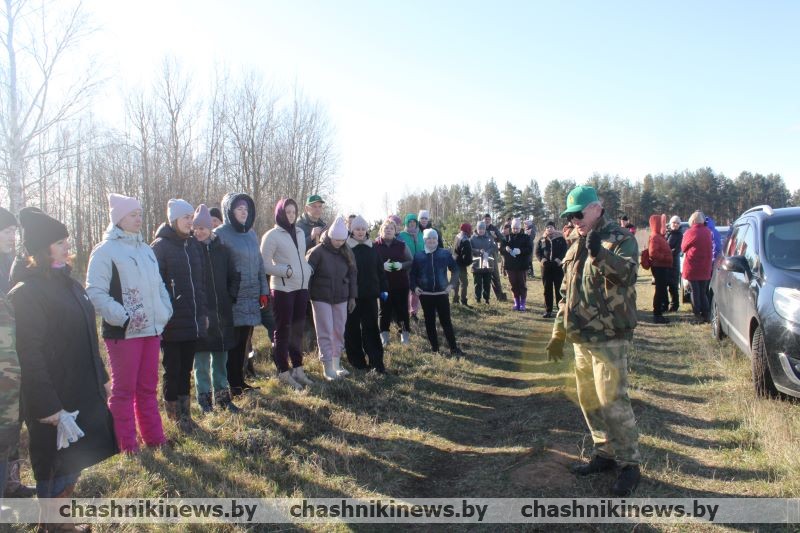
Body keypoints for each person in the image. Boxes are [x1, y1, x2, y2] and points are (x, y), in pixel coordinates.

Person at [9, 207, 117, 503]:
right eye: (60, 242)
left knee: (74, 463)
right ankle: (54, 522)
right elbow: (28, 356)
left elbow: (87, 336)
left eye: (67, 240)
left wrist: (102, 378)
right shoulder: (26, 293)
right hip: (54, 399)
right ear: (42, 249)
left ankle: (62, 520)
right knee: (54, 467)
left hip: (80, 391)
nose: (68, 246)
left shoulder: (70, 285)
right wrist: (49, 408)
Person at [545, 185, 642, 497]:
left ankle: (629, 464)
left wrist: (600, 253)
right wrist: (558, 333)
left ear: (597, 208)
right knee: (588, 400)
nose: (574, 220)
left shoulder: (620, 239)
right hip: (581, 337)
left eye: (579, 214)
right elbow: (566, 294)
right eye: (570, 216)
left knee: (612, 401)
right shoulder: (575, 243)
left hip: (608, 336)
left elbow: (627, 276)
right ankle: (605, 452)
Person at [85, 194, 172, 453]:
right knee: (123, 391)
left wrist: (165, 310)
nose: (138, 219)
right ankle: (126, 445)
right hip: (123, 333)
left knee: (148, 388)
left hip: (151, 330)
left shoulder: (146, 250)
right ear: (119, 218)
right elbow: (95, 292)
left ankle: (155, 439)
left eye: (140, 214)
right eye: (133, 214)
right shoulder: (105, 251)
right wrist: (122, 317)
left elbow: (159, 285)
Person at [151, 199, 208, 433]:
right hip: (171, 322)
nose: (190, 221)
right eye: (186, 217)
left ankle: (186, 416)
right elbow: (155, 286)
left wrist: (202, 314)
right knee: (172, 370)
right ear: (174, 219)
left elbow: (200, 285)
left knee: (186, 370)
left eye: (191, 217)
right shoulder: (160, 247)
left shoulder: (193, 245)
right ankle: (174, 418)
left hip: (192, 320)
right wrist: (165, 313)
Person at [213, 192, 268, 396]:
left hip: (251, 297)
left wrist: (263, 290)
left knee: (244, 342)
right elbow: (217, 267)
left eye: (246, 209)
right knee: (232, 343)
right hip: (233, 298)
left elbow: (260, 264)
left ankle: (239, 381)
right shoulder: (220, 234)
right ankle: (230, 384)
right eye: (239, 209)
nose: (244, 213)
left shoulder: (251, 234)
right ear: (230, 211)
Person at [260, 198, 314, 390]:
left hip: (301, 287)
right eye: (287, 212)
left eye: (293, 212)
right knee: (283, 330)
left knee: (297, 330)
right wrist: (285, 271)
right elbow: (264, 265)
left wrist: (307, 269)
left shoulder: (299, 232)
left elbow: (300, 258)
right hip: (282, 289)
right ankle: (283, 371)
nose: (290, 215)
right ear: (280, 214)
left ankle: (298, 368)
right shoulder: (271, 236)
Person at [0, 207, 36, 498]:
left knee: (12, 422)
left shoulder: (13, 263)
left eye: (14, 230)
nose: (12, 236)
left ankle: (11, 483)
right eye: (6, 231)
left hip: (15, 356)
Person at [192, 205, 241, 412]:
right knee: (201, 360)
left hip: (222, 313)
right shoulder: (190, 250)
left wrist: (230, 297)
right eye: (196, 228)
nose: (199, 232)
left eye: (203, 228)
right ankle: (204, 400)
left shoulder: (223, 250)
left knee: (221, 358)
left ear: (211, 228)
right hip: (200, 314)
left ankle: (222, 398)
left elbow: (234, 276)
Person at [307, 216, 358, 380]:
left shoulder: (347, 251)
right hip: (320, 297)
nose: (339, 243)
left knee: (339, 331)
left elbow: (353, 275)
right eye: (336, 240)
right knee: (325, 331)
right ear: (330, 236)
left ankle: (336, 364)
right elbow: (307, 275)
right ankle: (327, 367)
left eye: (342, 240)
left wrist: (352, 297)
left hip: (341, 297)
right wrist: (306, 296)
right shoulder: (317, 252)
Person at [410, 229, 463, 356]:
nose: (432, 240)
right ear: (424, 240)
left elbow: (455, 270)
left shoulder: (444, 254)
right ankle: (435, 349)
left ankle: (454, 348)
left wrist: (451, 285)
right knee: (429, 322)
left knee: (446, 321)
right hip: (426, 295)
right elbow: (412, 275)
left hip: (441, 294)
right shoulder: (418, 256)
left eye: (434, 238)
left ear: (437, 240)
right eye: (429, 238)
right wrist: (414, 287)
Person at [344, 216, 387, 373]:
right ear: (352, 230)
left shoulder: (373, 247)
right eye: (357, 229)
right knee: (352, 329)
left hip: (370, 295)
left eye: (363, 229)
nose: (360, 232)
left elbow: (380, 270)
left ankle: (377, 363)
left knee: (371, 329)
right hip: (352, 297)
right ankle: (358, 363)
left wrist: (384, 289)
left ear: (367, 230)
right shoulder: (346, 248)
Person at [375, 219, 413, 345]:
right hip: (383, 286)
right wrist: (381, 266)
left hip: (400, 285)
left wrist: (401, 265)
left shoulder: (402, 245)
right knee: (384, 311)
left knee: (402, 310)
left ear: (395, 231)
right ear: (381, 230)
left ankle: (404, 335)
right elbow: (370, 264)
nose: (389, 230)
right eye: (386, 228)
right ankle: (384, 336)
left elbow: (410, 261)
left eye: (391, 228)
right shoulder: (375, 245)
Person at [640, 214, 673, 324]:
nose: (662, 225)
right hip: (659, 267)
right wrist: (666, 257)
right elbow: (653, 253)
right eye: (660, 223)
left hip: (662, 267)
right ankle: (657, 314)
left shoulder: (658, 236)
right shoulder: (655, 237)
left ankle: (659, 312)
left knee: (661, 290)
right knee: (660, 290)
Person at [682, 211, 713, 324]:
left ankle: (697, 315)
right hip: (705, 266)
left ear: (693, 221)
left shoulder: (690, 232)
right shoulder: (708, 232)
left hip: (693, 266)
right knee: (703, 292)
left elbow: (683, 248)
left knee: (694, 292)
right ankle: (706, 314)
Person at [535, 221, 567, 318]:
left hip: (557, 267)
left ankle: (560, 310)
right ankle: (548, 310)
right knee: (547, 289)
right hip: (546, 267)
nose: (549, 229)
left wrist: (559, 260)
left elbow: (564, 250)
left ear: (554, 228)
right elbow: (537, 252)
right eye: (547, 227)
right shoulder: (542, 239)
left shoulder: (561, 239)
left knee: (558, 289)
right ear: (545, 229)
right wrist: (543, 260)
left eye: (551, 227)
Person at [504, 218, 534, 311]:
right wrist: (505, 248)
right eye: (513, 228)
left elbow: (529, 249)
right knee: (513, 284)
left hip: (522, 265)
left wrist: (520, 250)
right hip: (510, 265)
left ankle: (522, 303)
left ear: (520, 227)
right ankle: (516, 302)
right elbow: (501, 249)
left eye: (517, 228)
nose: (515, 230)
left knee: (522, 284)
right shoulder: (507, 237)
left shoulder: (526, 237)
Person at [398, 214, 424, 321]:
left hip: (419, 266)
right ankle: (405, 310)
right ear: (406, 223)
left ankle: (413, 312)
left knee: (415, 290)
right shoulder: (401, 235)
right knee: (405, 289)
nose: (412, 224)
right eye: (410, 222)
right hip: (407, 265)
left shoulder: (420, 234)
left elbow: (424, 247)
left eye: (414, 222)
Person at [482, 214, 508, 301]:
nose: (487, 221)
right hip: (482, 254)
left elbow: (502, 239)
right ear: (483, 220)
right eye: (486, 219)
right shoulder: (479, 227)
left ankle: (499, 295)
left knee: (495, 275)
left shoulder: (494, 228)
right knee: (483, 276)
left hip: (493, 254)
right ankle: (483, 297)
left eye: (489, 219)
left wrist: (495, 237)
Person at [469, 221, 496, 304]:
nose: (481, 230)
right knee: (478, 283)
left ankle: (487, 299)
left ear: (485, 229)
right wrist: (478, 251)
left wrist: (488, 252)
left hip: (487, 265)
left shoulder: (489, 237)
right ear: (477, 229)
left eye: (483, 229)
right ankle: (478, 299)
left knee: (487, 283)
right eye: (479, 229)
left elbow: (493, 247)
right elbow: (470, 249)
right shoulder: (472, 238)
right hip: (476, 265)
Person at [451, 223, 473, 306]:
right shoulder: (465, 240)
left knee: (456, 282)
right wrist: (469, 262)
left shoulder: (457, 236)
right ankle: (464, 301)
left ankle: (455, 299)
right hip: (460, 265)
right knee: (464, 283)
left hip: (454, 262)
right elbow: (466, 256)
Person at [665, 216, 683, 312]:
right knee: (664, 285)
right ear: (670, 223)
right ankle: (665, 304)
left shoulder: (680, 235)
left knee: (673, 286)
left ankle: (674, 306)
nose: (675, 224)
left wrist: (665, 253)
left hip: (674, 263)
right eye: (674, 222)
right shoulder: (667, 233)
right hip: (665, 263)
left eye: (677, 223)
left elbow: (677, 250)